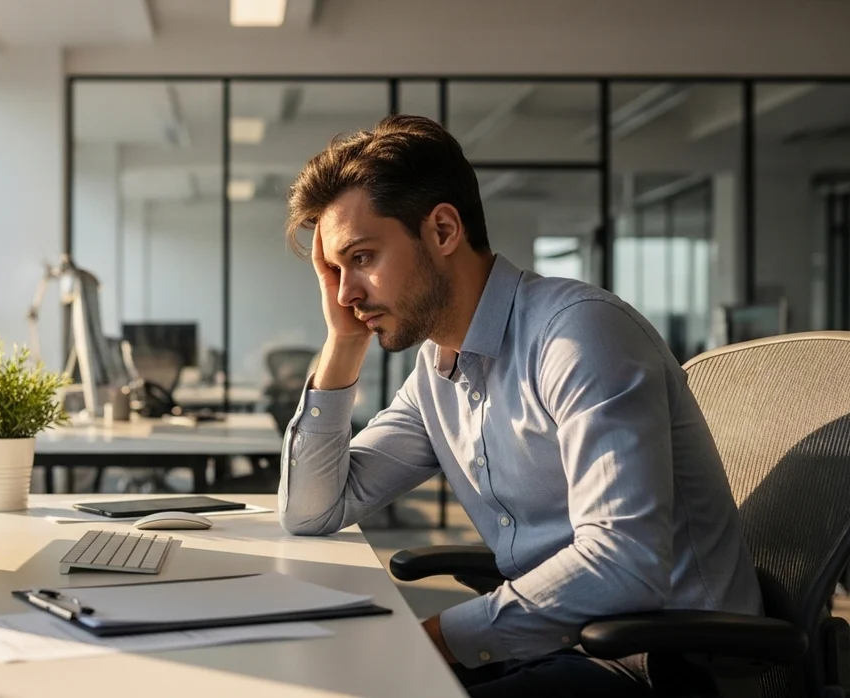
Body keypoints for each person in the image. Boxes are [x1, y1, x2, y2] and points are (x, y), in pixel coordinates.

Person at [277, 114, 763, 696]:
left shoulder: (578, 336)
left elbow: (625, 562)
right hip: (557, 644)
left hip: (666, 663)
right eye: (335, 271)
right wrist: (344, 339)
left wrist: (434, 639)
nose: (346, 292)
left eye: (361, 258)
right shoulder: (436, 372)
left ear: (443, 230)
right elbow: (310, 511)